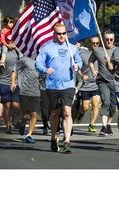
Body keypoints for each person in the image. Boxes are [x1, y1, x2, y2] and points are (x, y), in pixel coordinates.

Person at [35, 23, 82, 153]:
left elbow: (79, 61)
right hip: (52, 85)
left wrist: (77, 66)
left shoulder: (72, 48)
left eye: (63, 33)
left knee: (67, 112)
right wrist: (45, 69)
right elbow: (38, 63)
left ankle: (67, 141)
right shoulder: (47, 48)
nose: (61, 36)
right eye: (59, 34)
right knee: (54, 112)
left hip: (68, 84)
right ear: (54, 34)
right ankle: (53, 137)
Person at [88, 30, 118, 136]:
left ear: (114, 40)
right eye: (107, 39)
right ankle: (104, 127)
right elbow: (90, 61)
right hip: (102, 80)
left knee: (113, 105)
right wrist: (93, 71)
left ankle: (108, 125)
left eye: (111, 39)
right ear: (103, 40)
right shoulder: (98, 51)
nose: (109, 41)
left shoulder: (118, 51)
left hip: (115, 82)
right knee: (106, 102)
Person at [11, 55, 40, 143]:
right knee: (25, 115)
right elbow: (14, 70)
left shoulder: (42, 61)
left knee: (34, 113)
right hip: (24, 90)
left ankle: (29, 135)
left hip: (36, 91)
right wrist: (12, 82)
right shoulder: (25, 59)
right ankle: (23, 123)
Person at [74, 37, 101, 133]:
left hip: (96, 84)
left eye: (97, 43)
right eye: (93, 43)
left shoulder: (101, 54)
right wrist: (81, 75)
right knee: (85, 106)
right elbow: (77, 67)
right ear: (89, 43)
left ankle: (91, 125)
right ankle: (80, 114)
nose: (95, 45)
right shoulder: (83, 54)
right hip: (86, 84)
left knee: (95, 104)